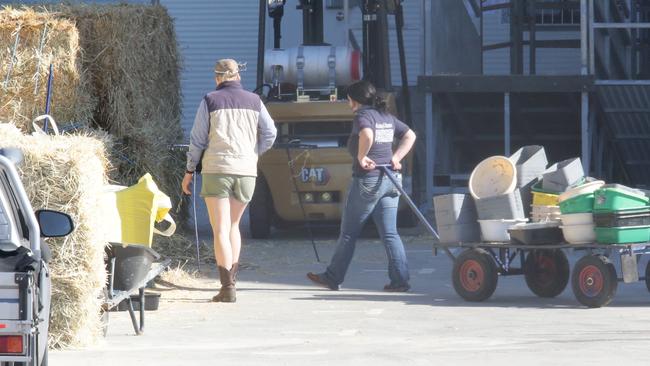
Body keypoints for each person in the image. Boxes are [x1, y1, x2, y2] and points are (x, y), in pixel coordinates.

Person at [307, 80, 416, 292]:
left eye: (348, 100)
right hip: (391, 179)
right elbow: (410, 135)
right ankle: (400, 280)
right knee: (390, 233)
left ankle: (332, 277)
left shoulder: (362, 116)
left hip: (368, 179)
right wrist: (396, 157)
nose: (348, 105)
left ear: (355, 100)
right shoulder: (386, 116)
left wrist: (362, 156)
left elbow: (367, 135)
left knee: (348, 233)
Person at [183, 59, 277, 302]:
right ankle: (232, 281)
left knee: (220, 230)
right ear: (238, 77)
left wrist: (190, 170)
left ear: (217, 78)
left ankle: (227, 288)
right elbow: (271, 133)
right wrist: (254, 153)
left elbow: (197, 139)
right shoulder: (255, 101)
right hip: (247, 171)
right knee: (234, 227)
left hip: (217, 169)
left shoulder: (210, 100)